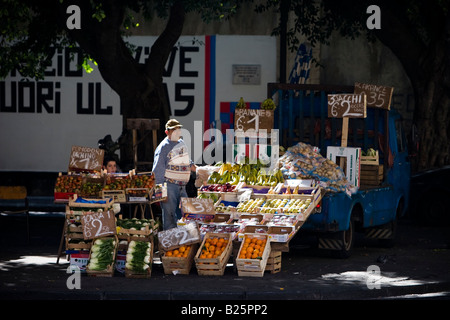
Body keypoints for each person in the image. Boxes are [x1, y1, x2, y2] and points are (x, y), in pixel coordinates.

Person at [152, 119, 197, 230]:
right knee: (170, 218)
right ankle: (170, 244)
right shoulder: (163, 147)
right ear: (167, 132)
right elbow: (157, 171)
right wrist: (162, 192)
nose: (177, 132)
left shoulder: (182, 143)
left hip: (182, 186)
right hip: (169, 186)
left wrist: (198, 170)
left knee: (186, 216)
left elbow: (187, 161)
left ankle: (185, 242)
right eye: (174, 130)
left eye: (178, 130)